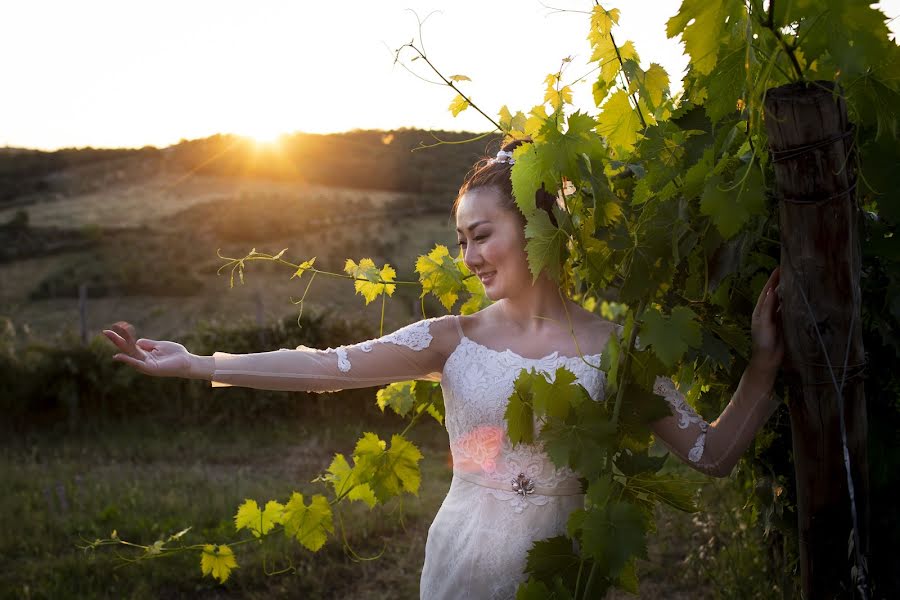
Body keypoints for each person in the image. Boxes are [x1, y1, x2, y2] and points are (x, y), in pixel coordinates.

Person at [103, 140, 784, 599]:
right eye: (460, 241)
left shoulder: (619, 348)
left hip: (561, 579)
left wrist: (763, 364)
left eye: (481, 235)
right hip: (459, 568)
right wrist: (197, 363)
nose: (468, 257)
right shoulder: (449, 339)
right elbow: (325, 368)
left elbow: (710, 452)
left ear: (541, 225)